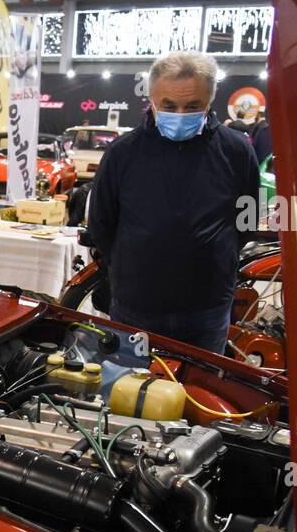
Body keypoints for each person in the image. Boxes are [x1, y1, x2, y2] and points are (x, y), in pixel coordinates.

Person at [86, 51, 258, 353]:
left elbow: (247, 220)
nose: (180, 114)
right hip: (136, 308)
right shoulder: (122, 153)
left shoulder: (236, 152)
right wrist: (133, 267)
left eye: (192, 106)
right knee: (130, 395)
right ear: (152, 99)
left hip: (207, 309)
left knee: (202, 398)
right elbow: (102, 223)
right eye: (169, 106)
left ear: (209, 102)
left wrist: (216, 257)